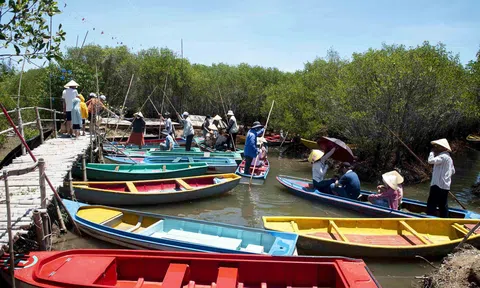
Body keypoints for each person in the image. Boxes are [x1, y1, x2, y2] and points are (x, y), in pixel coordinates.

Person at [427, 138, 455, 217]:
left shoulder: (443, 156)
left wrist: (431, 153)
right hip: (445, 186)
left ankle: (429, 218)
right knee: (443, 204)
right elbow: (453, 171)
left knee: (431, 203)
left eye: (438, 146)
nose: (436, 148)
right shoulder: (449, 158)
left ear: (443, 148)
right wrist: (445, 176)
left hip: (437, 184)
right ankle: (444, 218)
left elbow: (430, 161)